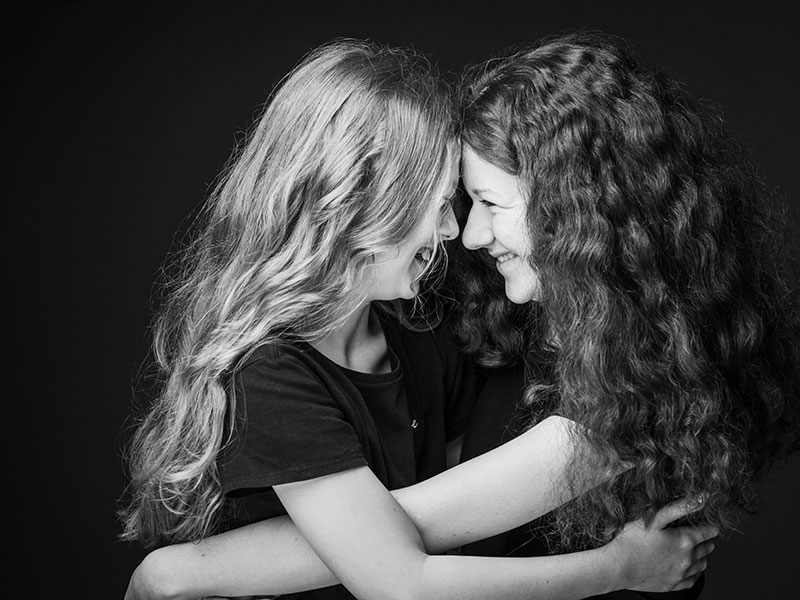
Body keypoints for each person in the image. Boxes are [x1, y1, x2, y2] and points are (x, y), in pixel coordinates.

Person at [120, 37, 718, 600]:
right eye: (447, 206)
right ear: (358, 209)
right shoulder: (277, 373)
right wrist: (619, 568)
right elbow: (399, 574)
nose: (461, 233)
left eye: (484, 203)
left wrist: (184, 572)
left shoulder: (442, 335)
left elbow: (418, 534)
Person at [452, 28, 800, 598]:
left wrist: (264, 551)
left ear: (576, 207)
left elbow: (386, 546)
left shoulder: (616, 415)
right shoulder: (554, 341)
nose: (471, 235)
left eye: (490, 203)